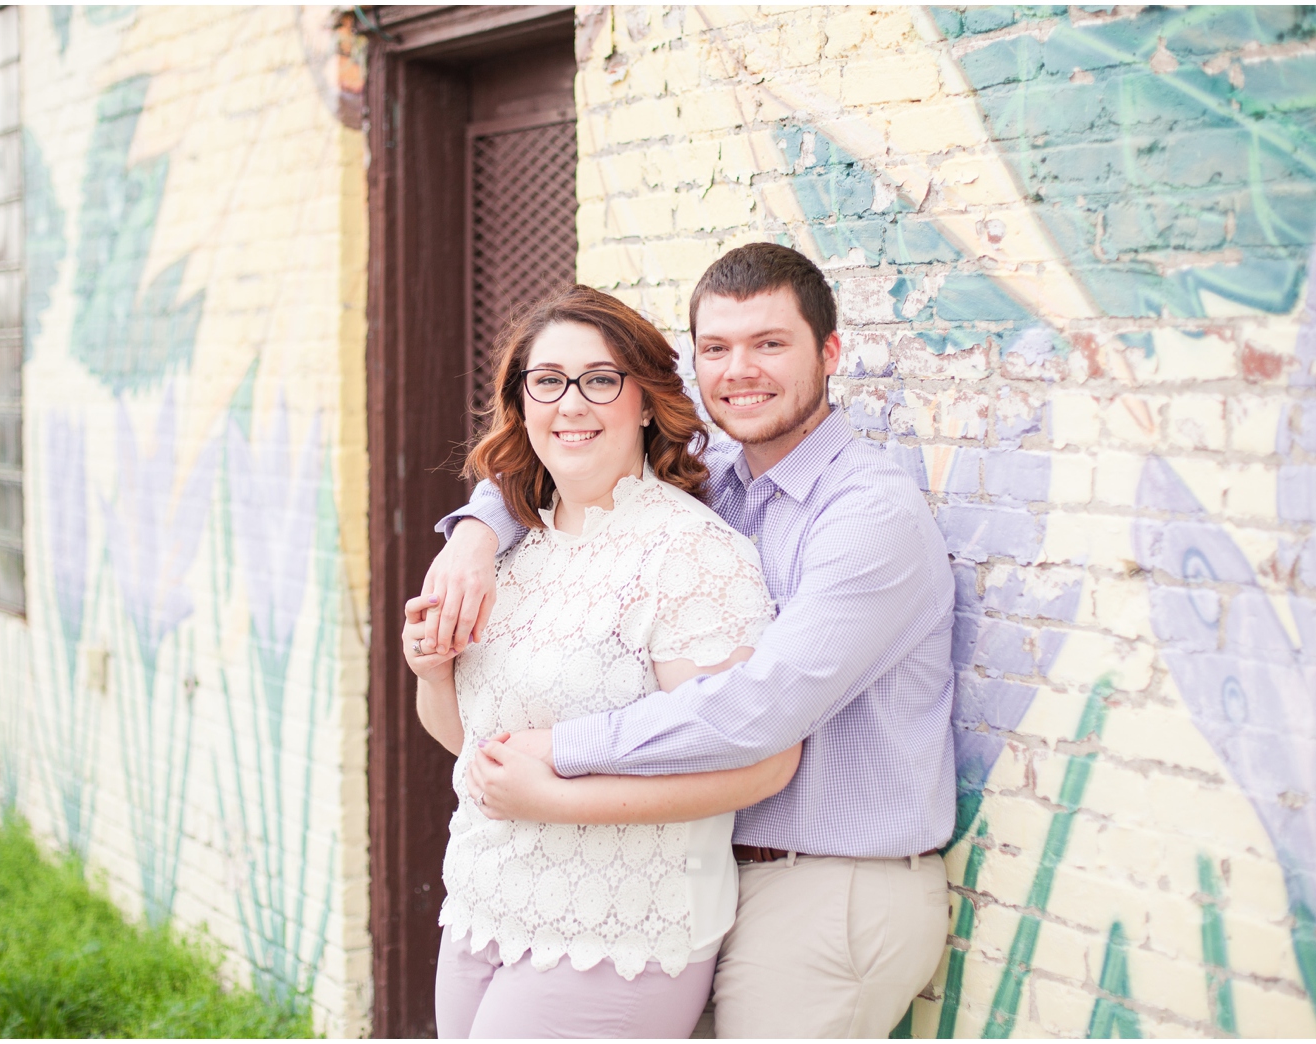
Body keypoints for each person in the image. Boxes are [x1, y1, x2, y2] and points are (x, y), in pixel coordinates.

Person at [418, 243, 957, 1038]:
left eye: (770, 344)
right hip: (718, 868)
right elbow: (569, 457)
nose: (741, 370)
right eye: (716, 348)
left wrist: (559, 753)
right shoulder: (728, 482)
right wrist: (471, 532)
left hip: (829, 883)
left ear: (830, 352)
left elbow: (756, 712)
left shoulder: (865, 513)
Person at [402, 284, 802, 1038]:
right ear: (522, 403)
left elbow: (760, 765)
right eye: (547, 381)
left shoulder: (691, 554)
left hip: (617, 928)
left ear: (645, 401)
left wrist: (552, 799)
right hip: (485, 902)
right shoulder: (513, 547)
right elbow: (473, 751)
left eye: (600, 380)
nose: (571, 403)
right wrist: (432, 672)